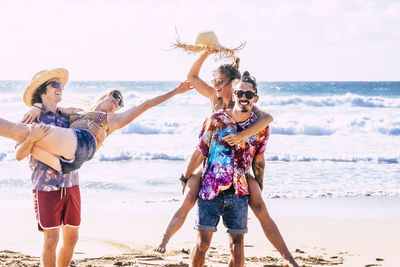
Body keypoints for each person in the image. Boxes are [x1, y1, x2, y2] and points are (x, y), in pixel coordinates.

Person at [155, 52, 298, 267]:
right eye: (215, 81)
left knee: (244, 234)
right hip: (211, 170)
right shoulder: (217, 104)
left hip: (239, 178)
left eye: (220, 81)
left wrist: (257, 177)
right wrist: (206, 52)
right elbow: (201, 149)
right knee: (191, 206)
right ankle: (164, 239)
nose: (216, 85)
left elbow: (266, 123)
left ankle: (288, 258)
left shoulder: (254, 115)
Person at [0, 70, 193, 174]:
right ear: (106, 94)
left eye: (120, 102)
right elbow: (51, 107)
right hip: (66, 166)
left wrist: (175, 91)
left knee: (19, 131)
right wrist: (35, 105)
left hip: (81, 145)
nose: (117, 101)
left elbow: (145, 105)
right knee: (29, 142)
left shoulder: (113, 120)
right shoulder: (78, 112)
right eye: (116, 95)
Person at [10, 68, 103, 267]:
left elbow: (92, 116)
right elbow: (19, 155)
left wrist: (64, 110)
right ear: (42, 92)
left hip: (71, 184)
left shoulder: (69, 117)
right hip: (46, 187)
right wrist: (32, 138)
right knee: (51, 240)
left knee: (72, 238)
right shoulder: (31, 118)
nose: (60, 88)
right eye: (55, 85)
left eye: (61, 85)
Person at [187, 73, 269, 266]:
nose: (244, 97)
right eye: (240, 92)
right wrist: (185, 177)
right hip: (210, 190)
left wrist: (259, 187)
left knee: (237, 245)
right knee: (202, 243)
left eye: (249, 95)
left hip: (239, 193)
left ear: (255, 98)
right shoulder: (216, 119)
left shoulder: (260, 127)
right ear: (234, 94)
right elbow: (201, 150)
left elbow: (259, 159)